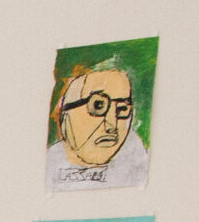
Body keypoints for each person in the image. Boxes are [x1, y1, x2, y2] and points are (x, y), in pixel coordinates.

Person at [44, 62, 148, 190]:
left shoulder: (137, 165)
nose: (112, 125)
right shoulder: (47, 167)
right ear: (63, 112)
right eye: (98, 106)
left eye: (122, 109)